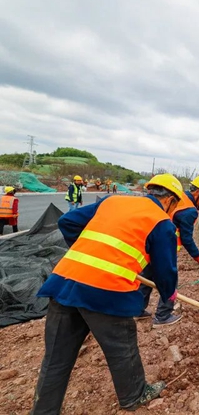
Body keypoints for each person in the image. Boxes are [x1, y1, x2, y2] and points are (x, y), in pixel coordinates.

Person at [31, 173, 183, 413]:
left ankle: (43, 411)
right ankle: (135, 395)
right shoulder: (161, 221)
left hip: (64, 281)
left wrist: (90, 254)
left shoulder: (113, 201)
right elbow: (165, 270)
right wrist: (169, 294)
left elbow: (67, 222)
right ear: (170, 200)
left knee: (56, 360)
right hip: (106, 289)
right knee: (122, 347)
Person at [138, 174, 199, 326]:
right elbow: (186, 238)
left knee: (146, 278)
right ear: (197, 192)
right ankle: (163, 316)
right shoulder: (190, 211)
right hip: (165, 249)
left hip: (149, 244)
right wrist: (197, 255)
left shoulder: (179, 197)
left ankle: (137, 310)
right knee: (170, 281)